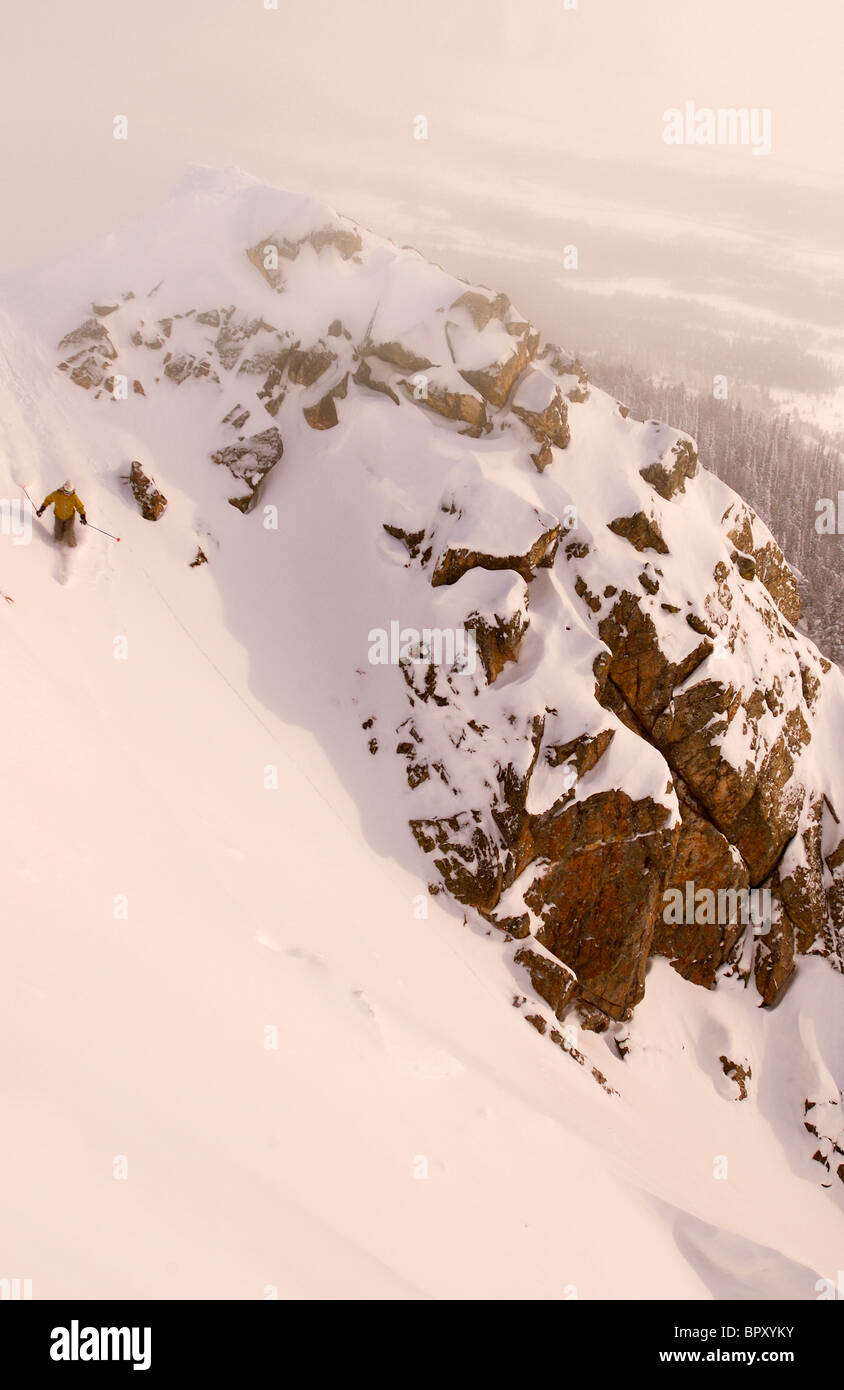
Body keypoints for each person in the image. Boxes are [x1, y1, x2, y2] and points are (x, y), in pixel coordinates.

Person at [37, 481, 88, 547]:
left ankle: (73, 547)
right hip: (58, 517)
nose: (67, 494)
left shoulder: (74, 497)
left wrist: (83, 517)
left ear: (72, 491)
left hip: (69, 517)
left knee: (69, 533)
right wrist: (41, 510)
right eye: (66, 492)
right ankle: (57, 546)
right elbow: (47, 500)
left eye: (70, 493)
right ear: (63, 489)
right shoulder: (56, 494)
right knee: (58, 536)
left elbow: (80, 507)